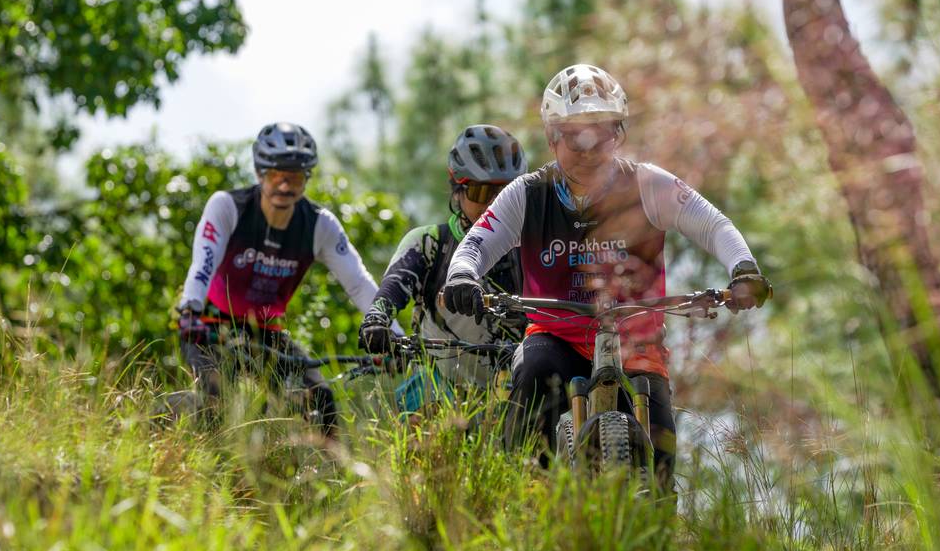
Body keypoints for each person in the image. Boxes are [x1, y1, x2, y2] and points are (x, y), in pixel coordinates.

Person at [441, 64, 772, 488]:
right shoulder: (526, 193)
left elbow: (714, 225)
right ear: (552, 136)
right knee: (533, 374)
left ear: (619, 133)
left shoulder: (648, 185)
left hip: (636, 342)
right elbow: (477, 244)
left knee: (660, 447)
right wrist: (464, 277)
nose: (588, 146)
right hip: (555, 336)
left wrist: (743, 270)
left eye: (602, 132)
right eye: (574, 134)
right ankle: (524, 496)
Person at [174, 122, 392, 439]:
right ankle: (166, 421)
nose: (285, 186)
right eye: (276, 175)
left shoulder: (320, 225)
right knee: (216, 405)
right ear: (260, 174)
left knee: (320, 399)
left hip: (266, 333)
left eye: (296, 177)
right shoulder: (228, 206)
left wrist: (391, 333)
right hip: (209, 324)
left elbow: (358, 283)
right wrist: (190, 310)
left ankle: (327, 479)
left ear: (307, 179)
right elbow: (202, 265)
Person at [358, 124, 527, 415]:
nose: (493, 203)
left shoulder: (535, 250)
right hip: (436, 385)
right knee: (422, 426)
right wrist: (376, 320)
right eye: (480, 190)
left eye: (505, 192)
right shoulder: (429, 242)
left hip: (512, 390)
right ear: (457, 190)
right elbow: (391, 291)